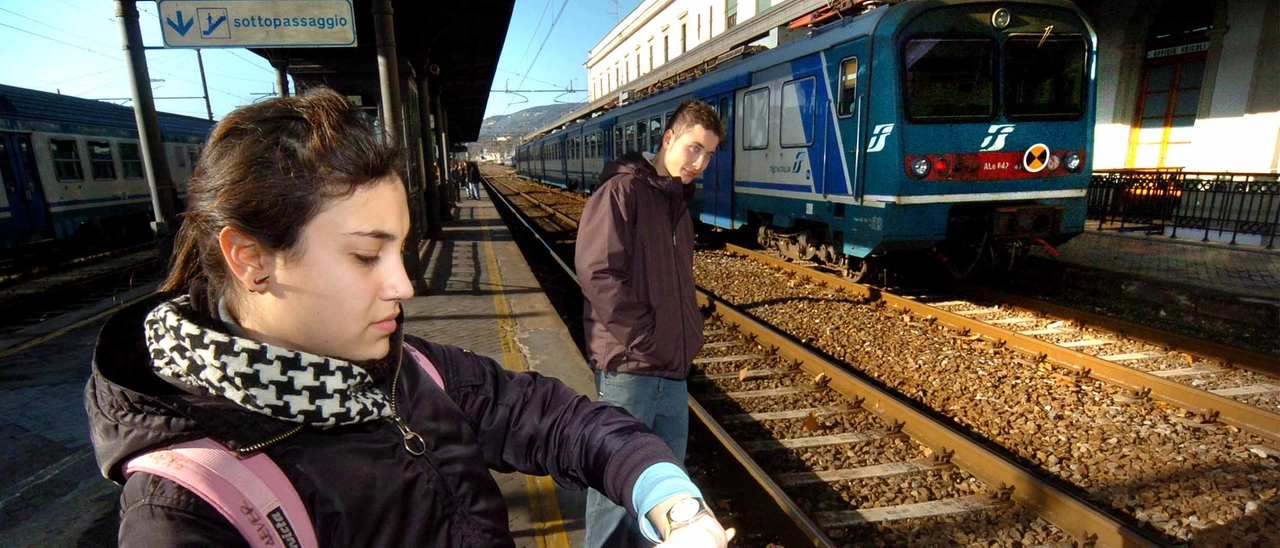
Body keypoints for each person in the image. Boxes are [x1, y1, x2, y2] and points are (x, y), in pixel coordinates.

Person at [84, 88, 733, 547]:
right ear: (252, 260)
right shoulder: (190, 511)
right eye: (368, 254)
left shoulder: (410, 371)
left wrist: (665, 494)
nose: (402, 283)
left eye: (399, 247)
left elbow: (562, 421)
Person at [575, 98, 725, 547]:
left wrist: (685, 337)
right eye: (694, 148)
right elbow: (597, 271)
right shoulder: (623, 193)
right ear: (668, 140)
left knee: (663, 486)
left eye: (710, 154)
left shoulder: (675, 206)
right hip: (631, 369)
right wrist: (643, 337)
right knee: (610, 486)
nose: (700, 163)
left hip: (671, 372)